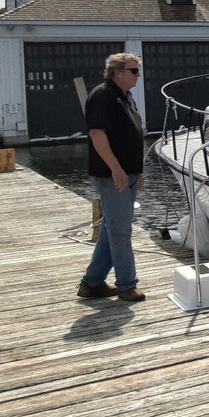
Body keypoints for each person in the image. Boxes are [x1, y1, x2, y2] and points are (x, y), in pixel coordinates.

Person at [77, 53, 146, 302]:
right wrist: (117, 169)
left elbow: (131, 135)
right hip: (111, 175)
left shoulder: (125, 96)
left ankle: (92, 283)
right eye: (133, 70)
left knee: (111, 228)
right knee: (120, 231)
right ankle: (127, 285)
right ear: (116, 71)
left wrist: (136, 171)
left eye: (138, 70)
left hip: (127, 173)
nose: (138, 75)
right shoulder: (103, 95)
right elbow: (97, 134)